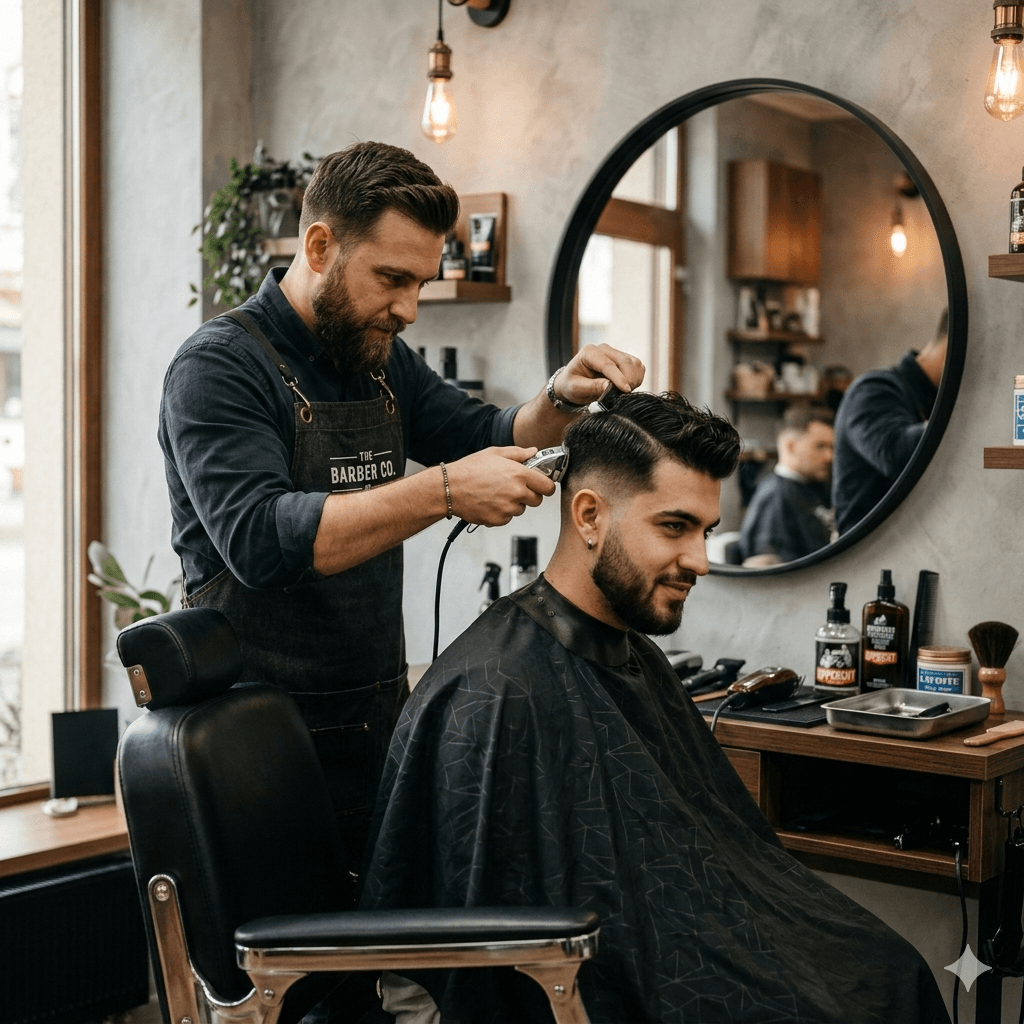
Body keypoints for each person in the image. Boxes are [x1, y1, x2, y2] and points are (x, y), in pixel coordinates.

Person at [360, 391, 949, 1024]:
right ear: (588, 515)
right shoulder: (496, 692)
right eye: (674, 527)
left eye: (706, 532)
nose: (699, 560)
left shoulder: (628, 651)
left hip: (680, 948)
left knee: (890, 970)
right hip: (611, 986)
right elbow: (469, 952)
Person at [158, 141, 644, 883]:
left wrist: (560, 398)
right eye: (391, 279)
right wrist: (444, 491)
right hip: (254, 746)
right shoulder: (219, 368)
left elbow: (482, 433)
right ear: (320, 245)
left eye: (421, 283)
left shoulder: (377, 358)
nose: (408, 309)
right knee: (295, 978)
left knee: (375, 963)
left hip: (374, 718)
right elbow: (260, 540)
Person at [832, 310, 947, 535]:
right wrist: (970, 421)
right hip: (867, 558)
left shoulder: (937, 401)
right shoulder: (874, 390)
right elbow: (895, 454)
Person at [735, 405, 835, 565]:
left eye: (832, 448)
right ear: (790, 446)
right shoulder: (775, 497)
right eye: (820, 446)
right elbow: (769, 572)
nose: (830, 456)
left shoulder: (818, 488)